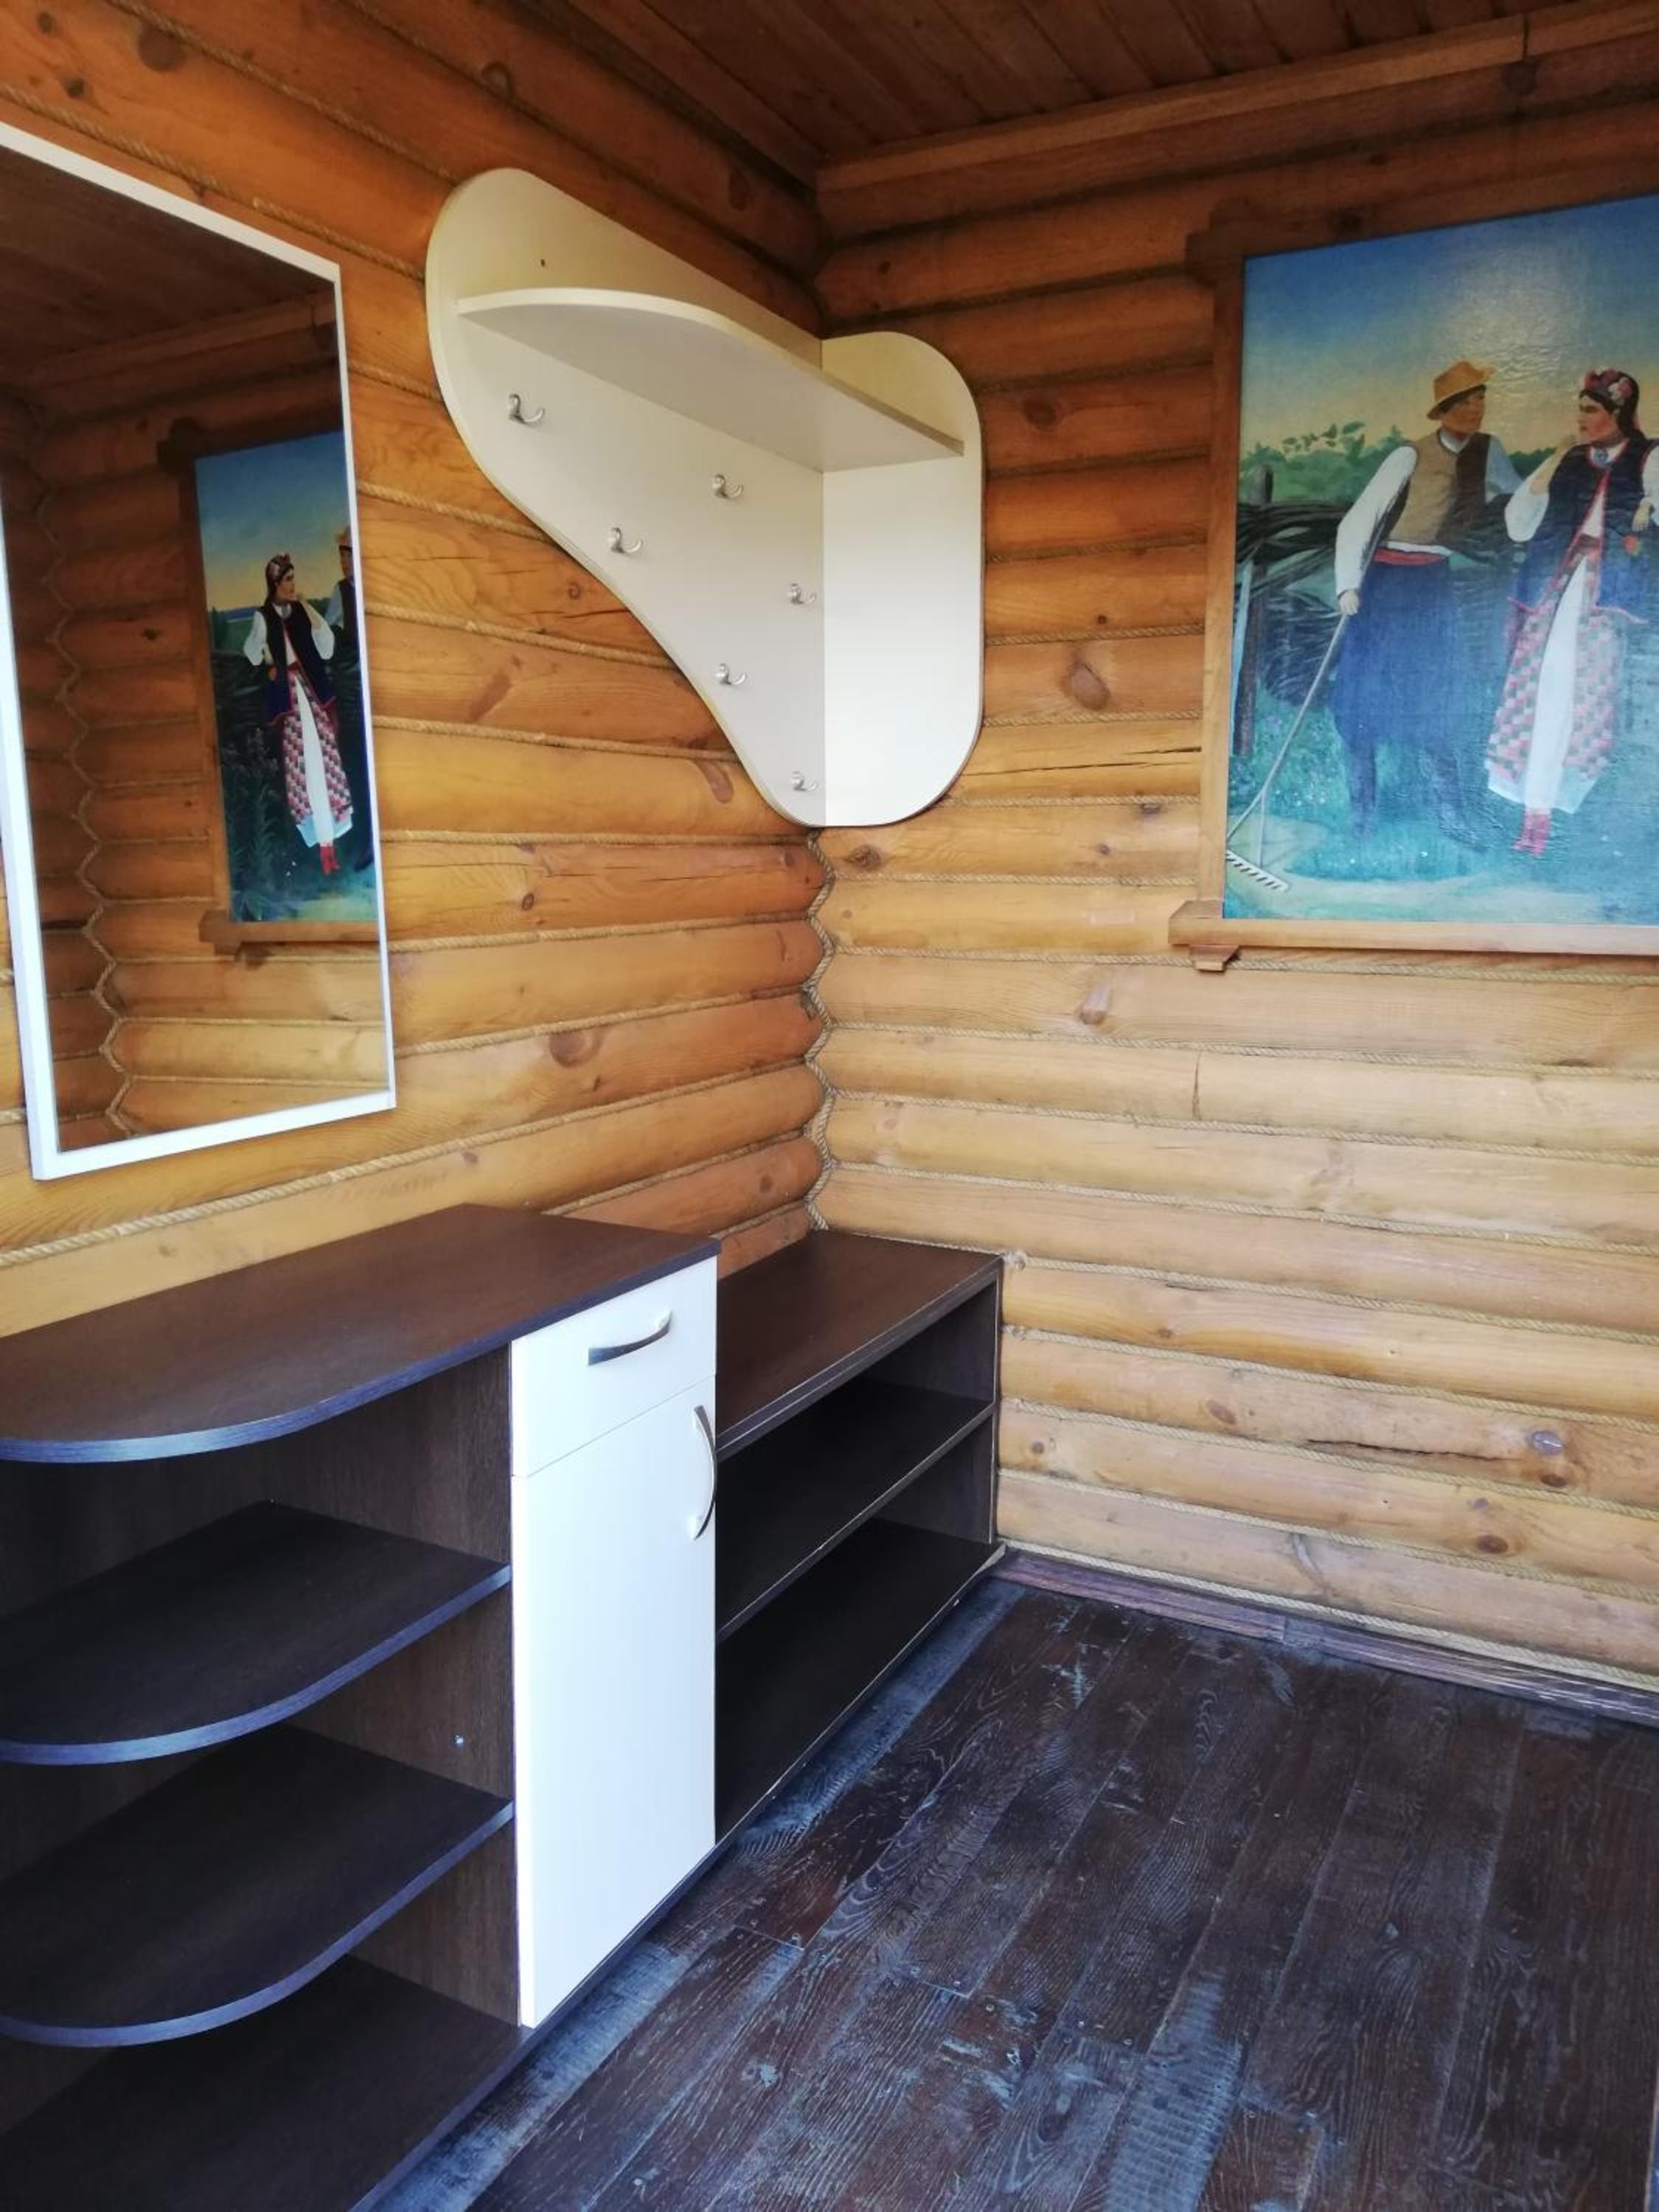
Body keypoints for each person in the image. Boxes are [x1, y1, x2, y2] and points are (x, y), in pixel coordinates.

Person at [1329, 359, 1520, 834]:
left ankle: (1450, 817)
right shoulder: (1409, 456)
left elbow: (1519, 499)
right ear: (1445, 410)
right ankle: (1362, 818)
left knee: (1437, 693)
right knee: (1364, 695)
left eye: (1480, 399)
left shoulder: (1488, 452)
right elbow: (1360, 519)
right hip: (1385, 584)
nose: (1476, 409)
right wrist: (1348, 584)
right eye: (1466, 401)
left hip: (1433, 584)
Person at [1486, 368, 1658, 855]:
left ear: (1618, 413)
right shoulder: (1570, 459)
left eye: (1591, 410)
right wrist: (1554, 460)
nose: (1580, 419)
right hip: (1554, 590)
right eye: (1579, 409)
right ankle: (1530, 813)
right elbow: (1519, 525)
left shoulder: (1649, 457)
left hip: (1606, 597)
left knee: (1576, 701)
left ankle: (1552, 814)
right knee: (1535, 694)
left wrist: (1646, 511)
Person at [243, 550, 354, 875]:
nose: (293, 585)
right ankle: (321, 846)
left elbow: (327, 647)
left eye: (293, 579)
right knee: (301, 766)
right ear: (275, 583)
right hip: (288, 700)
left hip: (312, 691)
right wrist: (268, 662)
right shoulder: (262, 617)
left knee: (326, 757)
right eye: (288, 580)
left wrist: (306, 606)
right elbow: (251, 653)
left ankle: (333, 839)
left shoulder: (302, 610)